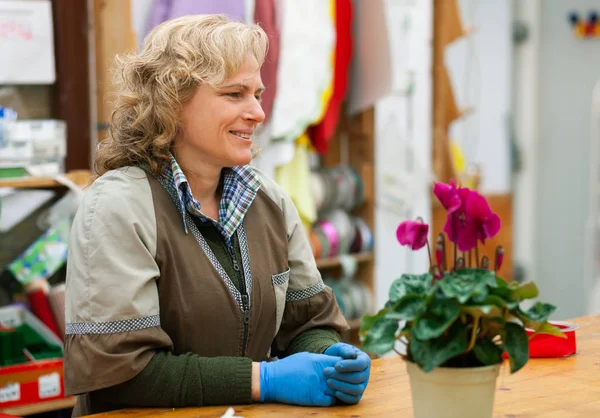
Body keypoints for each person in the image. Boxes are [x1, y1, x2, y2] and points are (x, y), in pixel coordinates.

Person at [63, 14, 371, 417]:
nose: (258, 112)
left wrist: (330, 358)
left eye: (258, 94)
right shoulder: (117, 206)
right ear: (172, 101)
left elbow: (307, 323)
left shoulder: (270, 202)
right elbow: (121, 374)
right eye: (235, 94)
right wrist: (266, 379)